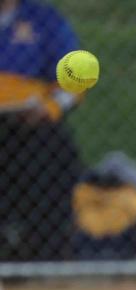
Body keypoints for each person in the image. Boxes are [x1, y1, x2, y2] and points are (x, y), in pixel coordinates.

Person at [0, 0, 83, 261]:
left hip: (29, 128)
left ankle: (45, 258)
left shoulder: (43, 19)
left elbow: (75, 81)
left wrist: (50, 107)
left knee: (56, 151)